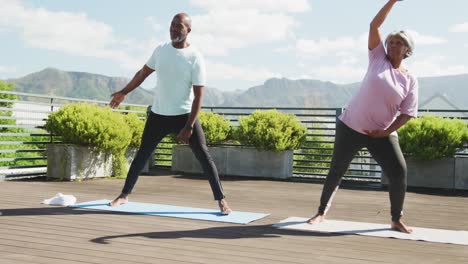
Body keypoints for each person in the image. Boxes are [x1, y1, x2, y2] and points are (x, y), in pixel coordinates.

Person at [307, 0, 418, 233]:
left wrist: (386, 132)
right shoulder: (378, 59)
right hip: (350, 126)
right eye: (391, 41)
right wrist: (393, 1)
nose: (393, 45)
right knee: (337, 169)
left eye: (399, 43)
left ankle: (396, 219)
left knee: (399, 171)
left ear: (408, 50)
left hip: (381, 133)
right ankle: (320, 213)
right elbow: (374, 25)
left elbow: (408, 113)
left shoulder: (410, 79)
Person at [108, 13, 232, 215]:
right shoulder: (161, 50)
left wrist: (189, 126)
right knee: (142, 155)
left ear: (188, 30)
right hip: (158, 115)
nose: (174, 29)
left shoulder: (195, 57)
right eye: (172, 25)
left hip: (184, 115)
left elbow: (199, 95)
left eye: (179, 26)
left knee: (204, 156)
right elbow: (142, 73)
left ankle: (221, 201)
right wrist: (123, 92)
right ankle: (123, 195)